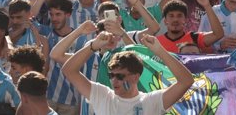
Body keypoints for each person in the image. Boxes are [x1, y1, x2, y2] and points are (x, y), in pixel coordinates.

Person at [62, 32, 194, 114]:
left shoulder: (151, 101)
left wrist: (160, 51)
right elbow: (69, 70)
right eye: (111, 75)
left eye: (120, 76)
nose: (114, 80)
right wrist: (93, 46)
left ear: (136, 77)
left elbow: (186, 81)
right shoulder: (103, 95)